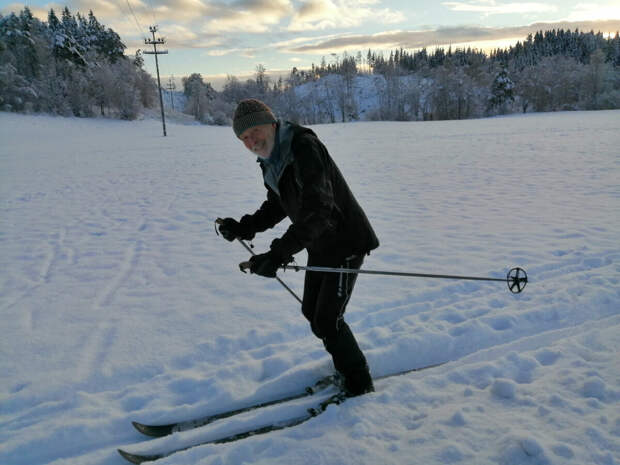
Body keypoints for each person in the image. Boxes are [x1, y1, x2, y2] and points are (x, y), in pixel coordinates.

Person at [217, 98, 379, 397]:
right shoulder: (271, 159)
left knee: (328, 320)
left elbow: (320, 208)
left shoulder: (303, 147)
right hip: (319, 243)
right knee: (312, 313)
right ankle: (346, 368)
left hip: (345, 241)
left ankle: (359, 383)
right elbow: (278, 204)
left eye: (254, 132)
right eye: (244, 138)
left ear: (271, 123)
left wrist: (279, 253)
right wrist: (244, 227)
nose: (251, 142)